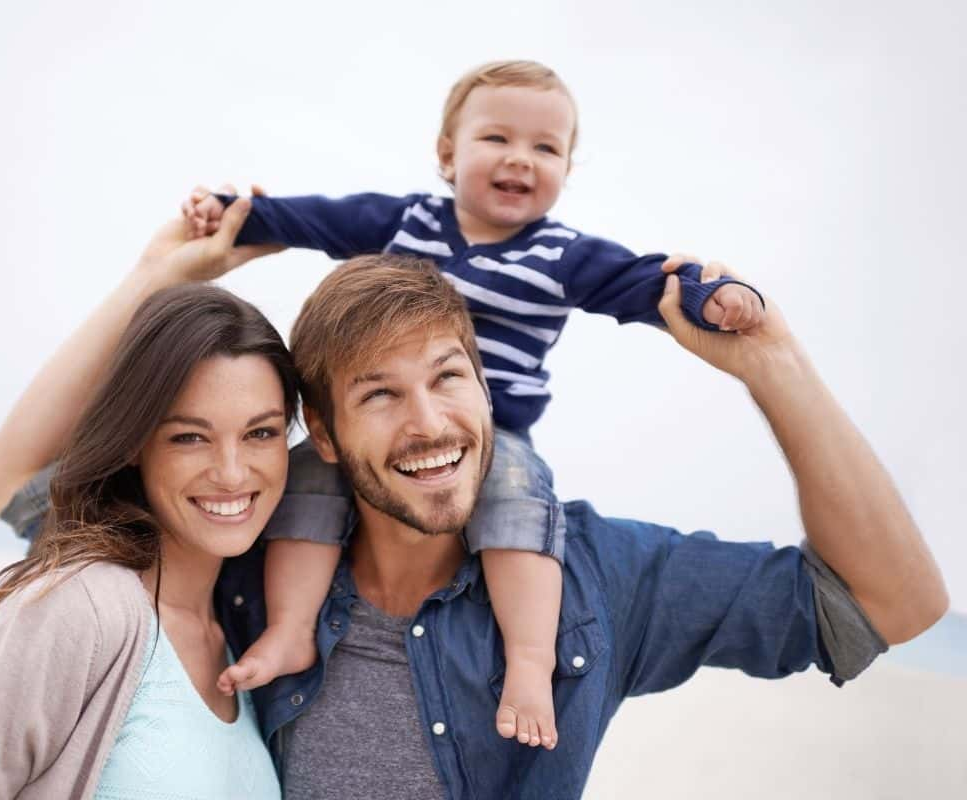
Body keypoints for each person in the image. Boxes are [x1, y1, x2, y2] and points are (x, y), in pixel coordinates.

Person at [0, 220, 946, 798]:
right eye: (378, 395)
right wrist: (153, 279)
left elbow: (891, 604)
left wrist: (768, 362)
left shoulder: (596, 578)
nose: (428, 424)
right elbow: (20, 480)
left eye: (449, 377)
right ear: (321, 433)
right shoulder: (242, 558)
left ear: (486, 386)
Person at [179, 59, 767, 749]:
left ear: (567, 170)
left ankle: (528, 662)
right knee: (309, 474)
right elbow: (312, 218)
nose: (521, 158)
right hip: (385, 432)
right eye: (498, 139)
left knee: (518, 504)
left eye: (546, 148)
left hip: (497, 435)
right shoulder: (404, 222)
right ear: (448, 154)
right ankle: (289, 631)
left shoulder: (563, 256)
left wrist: (712, 295)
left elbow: (648, 284)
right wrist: (234, 215)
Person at [0, 200, 292, 800]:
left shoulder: (247, 632)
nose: (231, 472)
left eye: (260, 432)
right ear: (134, 446)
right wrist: (156, 274)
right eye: (189, 436)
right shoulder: (85, 610)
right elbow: (7, 475)